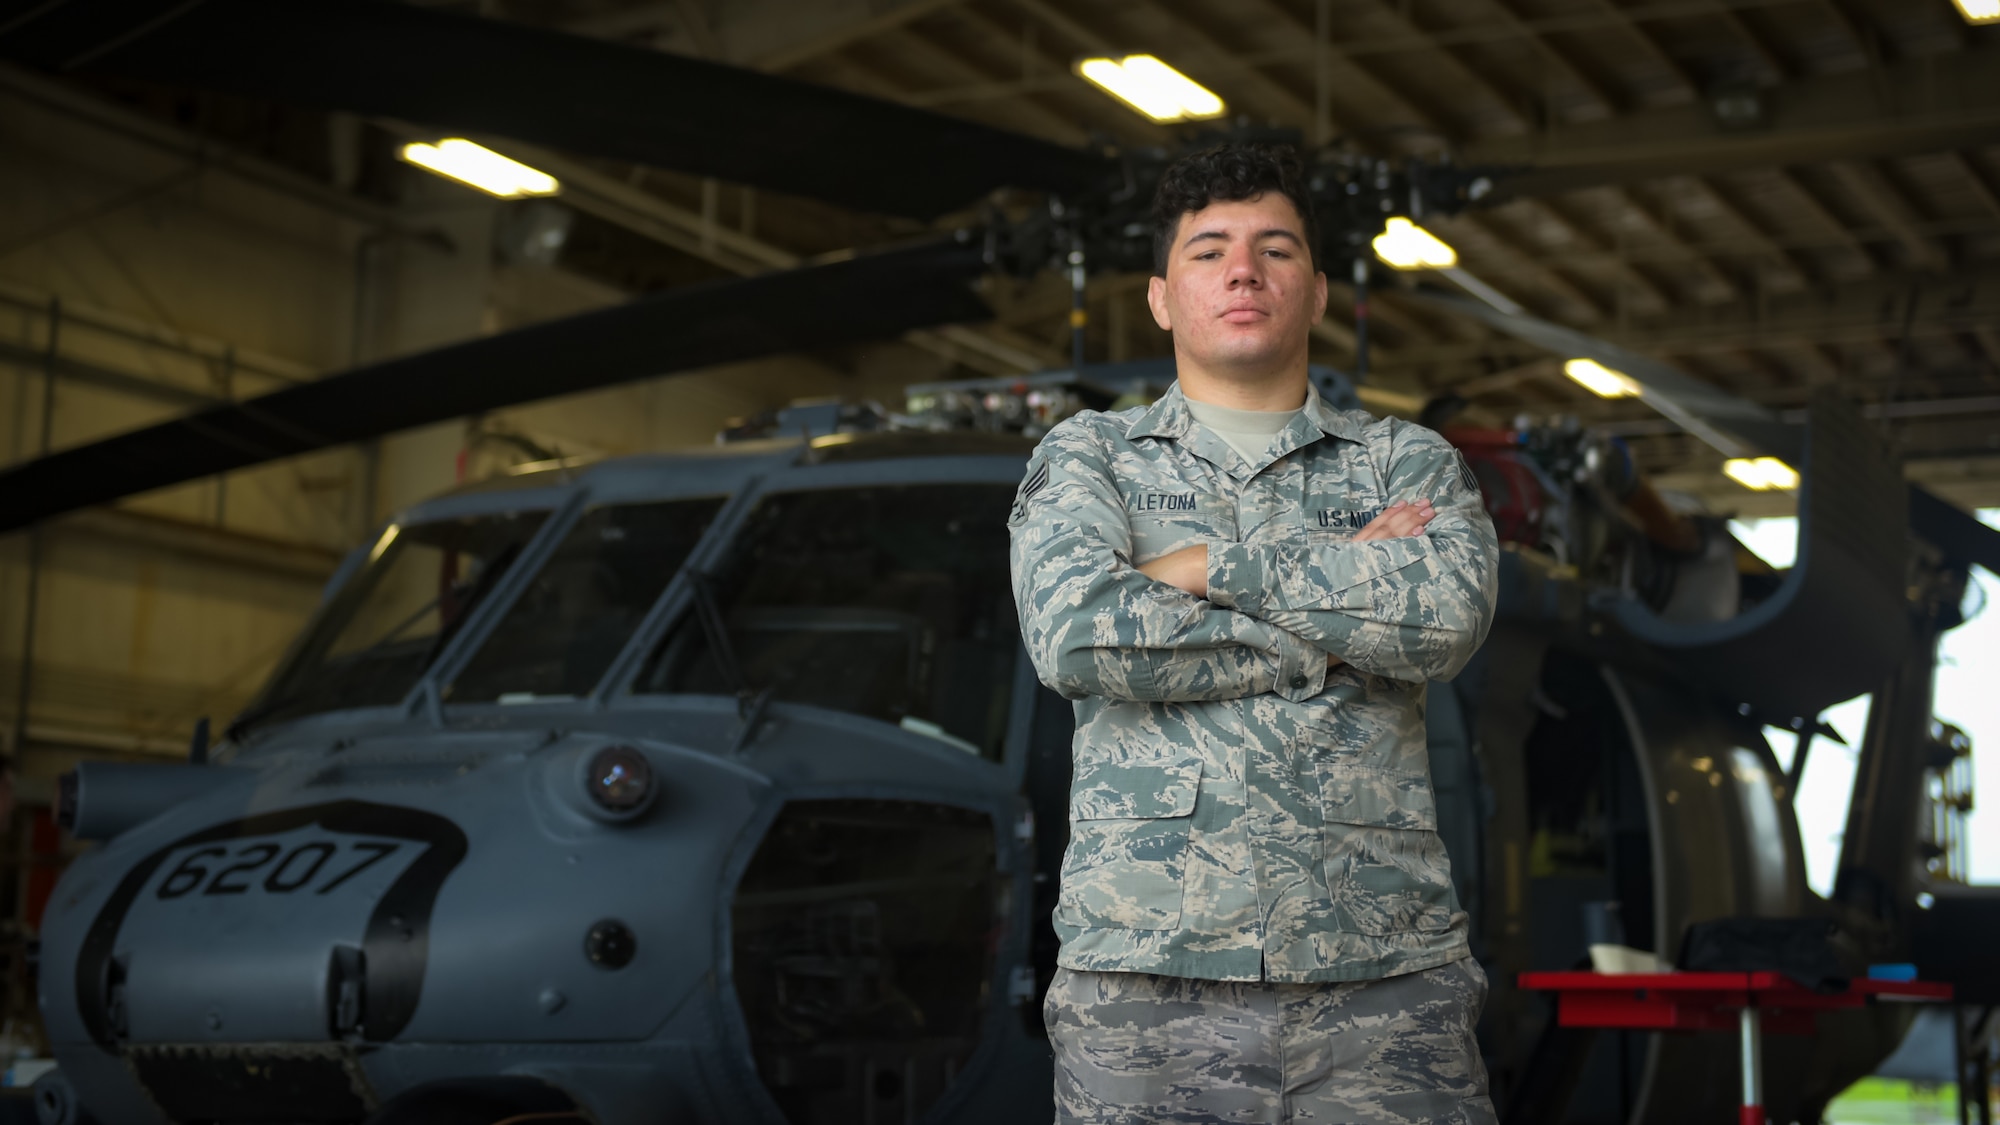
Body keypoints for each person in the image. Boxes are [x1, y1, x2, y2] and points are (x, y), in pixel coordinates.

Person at [1007, 142, 1500, 1124]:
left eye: (1274, 249)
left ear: (1315, 293)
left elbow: (1441, 622)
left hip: (1382, 979)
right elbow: (1076, 636)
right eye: (1208, 250)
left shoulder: (1407, 464)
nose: (1242, 270)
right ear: (1158, 297)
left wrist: (1208, 572)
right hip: (1146, 983)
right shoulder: (1088, 457)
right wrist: (1330, 624)